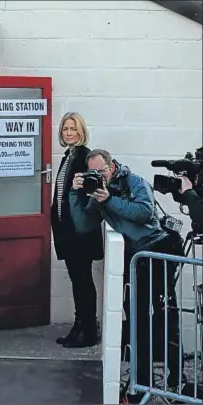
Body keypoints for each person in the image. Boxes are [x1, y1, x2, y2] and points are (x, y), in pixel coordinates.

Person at [69, 149, 183, 396]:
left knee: (165, 316)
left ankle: (177, 380)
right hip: (136, 260)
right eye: (92, 173)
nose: (97, 177)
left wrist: (109, 200)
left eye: (100, 172)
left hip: (158, 251)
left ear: (111, 167)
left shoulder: (135, 182)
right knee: (136, 320)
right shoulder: (97, 191)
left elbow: (143, 212)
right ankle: (140, 383)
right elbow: (82, 224)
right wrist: (74, 192)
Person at [50, 112, 104, 348]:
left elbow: (91, 192)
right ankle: (79, 326)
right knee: (77, 280)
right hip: (67, 232)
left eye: (73, 128)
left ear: (81, 131)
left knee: (82, 281)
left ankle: (88, 331)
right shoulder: (67, 156)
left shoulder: (84, 157)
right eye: (65, 129)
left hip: (80, 232)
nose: (69, 133)